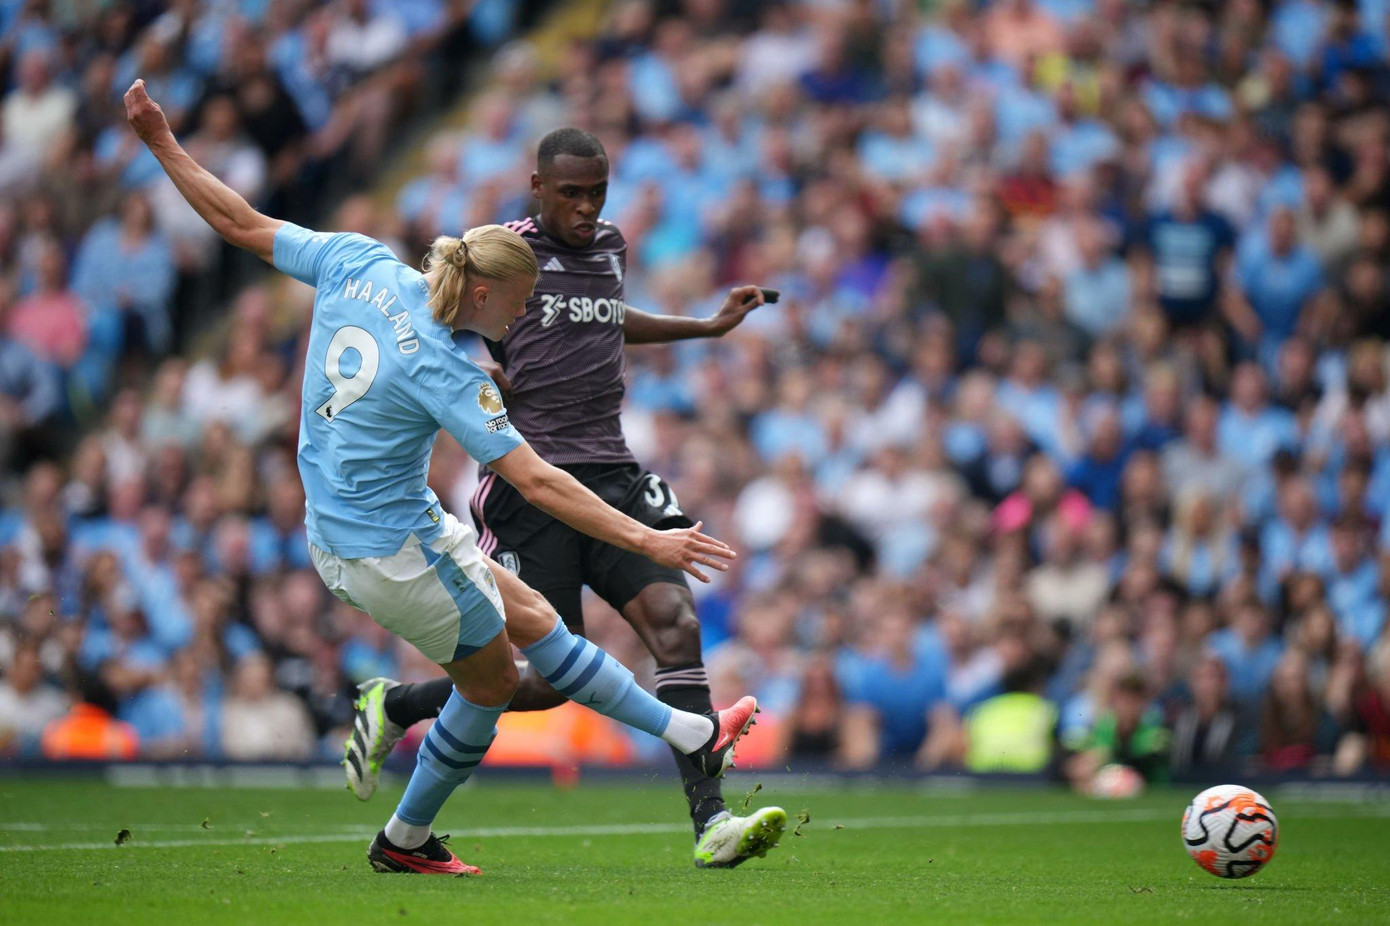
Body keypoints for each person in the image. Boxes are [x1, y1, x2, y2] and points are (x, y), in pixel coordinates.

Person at [124, 81, 774, 876]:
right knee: (506, 674)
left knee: (532, 626)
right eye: (520, 303)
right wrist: (650, 541)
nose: (520, 319)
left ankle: (415, 835)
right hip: (381, 547)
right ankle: (683, 736)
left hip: (385, 521)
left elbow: (238, 221)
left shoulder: (357, 261)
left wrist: (160, 138)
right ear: (483, 291)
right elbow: (536, 483)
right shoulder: (447, 373)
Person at [347, 128, 787, 868]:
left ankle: (711, 823)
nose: (587, 208)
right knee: (544, 685)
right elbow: (427, 320)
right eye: (572, 194)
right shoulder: (505, 253)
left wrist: (704, 326)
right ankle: (397, 706)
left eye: (597, 193)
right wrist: (476, 374)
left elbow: (609, 320)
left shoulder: (610, 246)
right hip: (530, 485)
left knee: (676, 627)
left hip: (613, 474)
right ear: (538, 187)